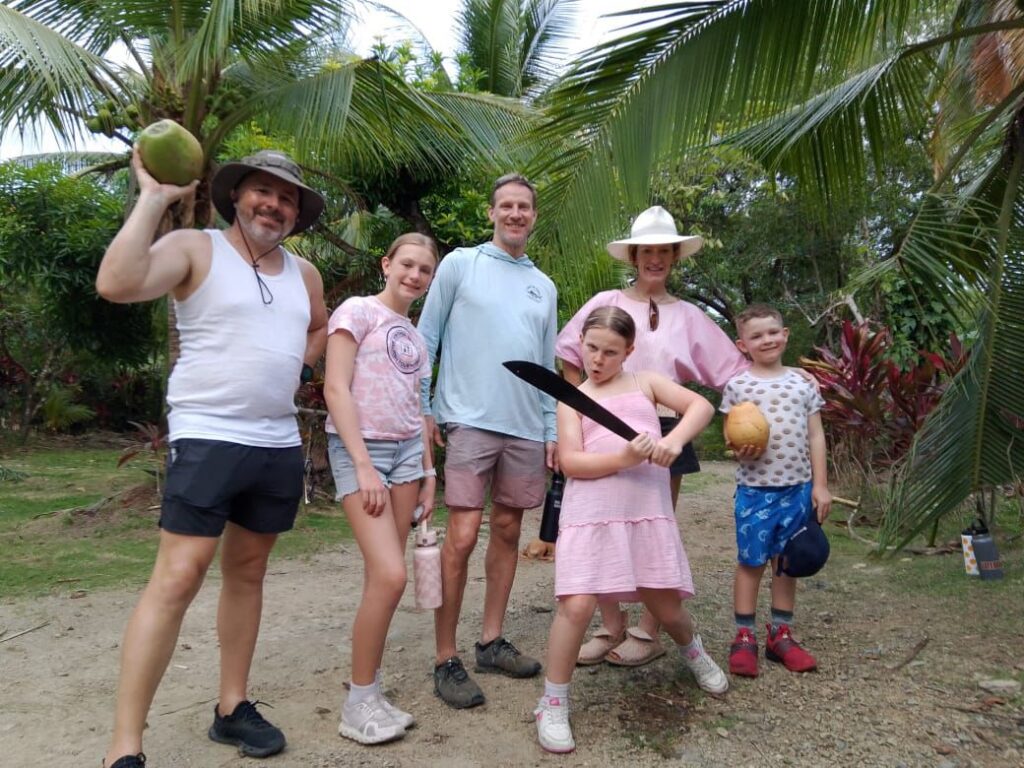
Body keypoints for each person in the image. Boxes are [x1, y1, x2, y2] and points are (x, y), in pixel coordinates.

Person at [96, 148, 328, 767]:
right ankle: (125, 746)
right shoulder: (196, 248)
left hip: (276, 443)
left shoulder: (304, 274)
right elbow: (116, 283)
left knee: (248, 572)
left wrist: (300, 367)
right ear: (236, 196)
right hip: (208, 436)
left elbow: (318, 326)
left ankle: (232, 707)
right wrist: (153, 198)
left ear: (297, 213)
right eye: (262, 191)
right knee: (178, 577)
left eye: (286, 198)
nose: (273, 205)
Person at [555, 206, 747, 668]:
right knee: (602, 526)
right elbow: (570, 358)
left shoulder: (690, 315)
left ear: (674, 257)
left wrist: (774, 388)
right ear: (635, 256)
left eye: (665, 252)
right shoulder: (607, 301)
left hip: (664, 429)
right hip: (601, 425)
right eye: (647, 251)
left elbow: (734, 374)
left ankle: (649, 630)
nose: (655, 259)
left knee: (654, 527)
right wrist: (578, 413)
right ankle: (610, 625)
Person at [535, 307, 728, 754]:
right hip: (590, 512)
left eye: (610, 352)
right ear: (580, 344)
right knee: (576, 606)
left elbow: (701, 405)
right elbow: (571, 462)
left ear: (629, 351)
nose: (597, 360)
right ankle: (553, 702)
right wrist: (623, 458)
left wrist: (672, 441)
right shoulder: (571, 399)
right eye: (591, 348)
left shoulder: (646, 383)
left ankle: (693, 652)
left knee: (666, 605)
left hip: (644, 509)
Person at [417, 173, 558, 709]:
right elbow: (426, 338)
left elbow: (545, 366)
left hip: (524, 426)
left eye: (524, 206)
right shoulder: (460, 264)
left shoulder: (543, 286)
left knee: (507, 529)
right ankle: (445, 656)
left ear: (534, 216)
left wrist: (550, 429)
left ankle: (491, 641)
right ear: (492, 212)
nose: (516, 213)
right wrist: (423, 408)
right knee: (460, 535)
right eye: (507, 205)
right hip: (468, 419)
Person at [322, 233, 438, 744]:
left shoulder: (415, 336)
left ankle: (368, 689)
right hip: (362, 450)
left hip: (408, 454)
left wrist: (430, 474)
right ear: (386, 264)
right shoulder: (357, 311)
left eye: (425, 270)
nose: (415, 275)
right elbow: (335, 387)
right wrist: (363, 465)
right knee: (392, 576)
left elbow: (417, 408)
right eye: (407, 264)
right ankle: (357, 703)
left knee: (382, 579)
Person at [719, 303, 832, 678]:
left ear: (785, 335)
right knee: (751, 562)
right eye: (756, 336)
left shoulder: (803, 384)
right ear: (742, 345)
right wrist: (738, 450)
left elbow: (816, 435)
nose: (766, 340)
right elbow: (730, 436)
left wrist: (820, 486)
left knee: (787, 564)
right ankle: (744, 636)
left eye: (772, 332)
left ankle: (780, 635)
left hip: (797, 490)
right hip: (754, 490)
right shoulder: (737, 386)